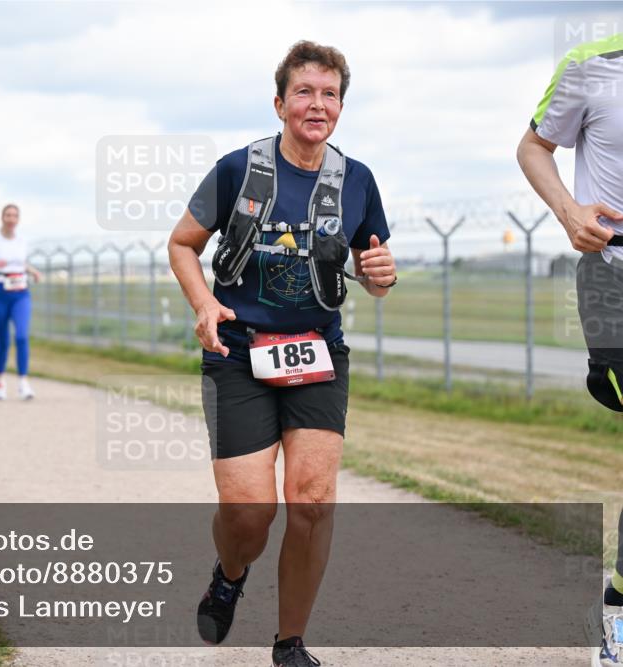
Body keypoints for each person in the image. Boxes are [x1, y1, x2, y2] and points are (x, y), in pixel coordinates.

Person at [168, 41, 395, 666]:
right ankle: (229, 573)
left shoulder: (357, 181)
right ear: (280, 103)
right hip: (238, 355)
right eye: (304, 92)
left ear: (341, 107)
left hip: (318, 354)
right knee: (249, 513)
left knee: (313, 501)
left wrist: (380, 273)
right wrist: (205, 305)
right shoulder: (239, 169)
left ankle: (290, 642)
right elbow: (183, 244)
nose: (316, 104)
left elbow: (371, 275)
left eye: (328, 94)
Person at [516, 32, 623, 664]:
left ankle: (615, 600)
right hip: (611, 269)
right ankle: (617, 618)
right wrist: (567, 211)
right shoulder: (591, 63)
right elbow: (533, 146)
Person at [0, 204, 43, 400]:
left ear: (18, 219)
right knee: (3, 339)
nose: (11, 218)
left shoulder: (22, 241)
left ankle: (23, 382)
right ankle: (0, 381)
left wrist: (33, 271)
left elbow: (20, 263)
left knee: (22, 336)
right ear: (2, 217)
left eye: (15, 215)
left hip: (20, 292)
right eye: (8, 215)